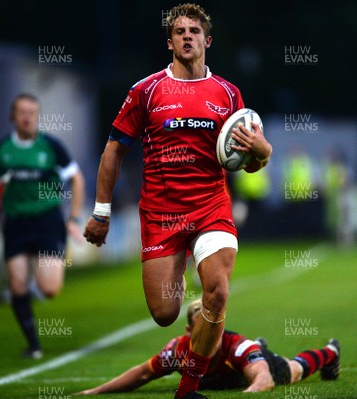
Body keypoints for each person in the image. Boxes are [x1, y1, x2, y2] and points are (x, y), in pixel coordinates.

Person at [83, 4, 272, 398]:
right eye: (180, 31)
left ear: (207, 40)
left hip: (210, 208)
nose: (188, 36)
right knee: (166, 313)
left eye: (195, 31)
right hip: (161, 214)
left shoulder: (227, 94)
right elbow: (113, 151)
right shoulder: (146, 91)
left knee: (217, 292)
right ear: (169, 41)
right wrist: (101, 212)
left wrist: (263, 151)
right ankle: (182, 267)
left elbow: (248, 164)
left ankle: (187, 390)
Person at [0, 93, 84, 359]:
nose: (27, 117)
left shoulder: (51, 147)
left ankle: (39, 285)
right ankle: (33, 345)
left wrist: (72, 218)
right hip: (15, 222)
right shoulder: (2, 149)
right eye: (22, 112)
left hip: (47, 220)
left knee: (49, 289)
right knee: (17, 285)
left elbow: (77, 180)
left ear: (38, 116)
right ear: (13, 116)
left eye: (32, 112)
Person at [74, 299, 340, 395]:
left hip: (248, 366)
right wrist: (96, 391)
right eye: (202, 327)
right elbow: (143, 373)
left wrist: (250, 392)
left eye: (214, 326)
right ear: (189, 331)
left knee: (291, 371)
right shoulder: (177, 351)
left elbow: (264, 379)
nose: (210, 332)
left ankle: (331, 352)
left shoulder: (235, 346)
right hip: (228, 371)